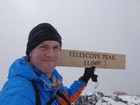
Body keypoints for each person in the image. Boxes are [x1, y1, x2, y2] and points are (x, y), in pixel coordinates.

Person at [0, 23, 98, 105]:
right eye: (43, 47)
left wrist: (84, 78)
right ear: (30, 52)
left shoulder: (51, 80)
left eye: (56, 48)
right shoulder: (19, 89)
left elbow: (66, 97)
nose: (51, 54)